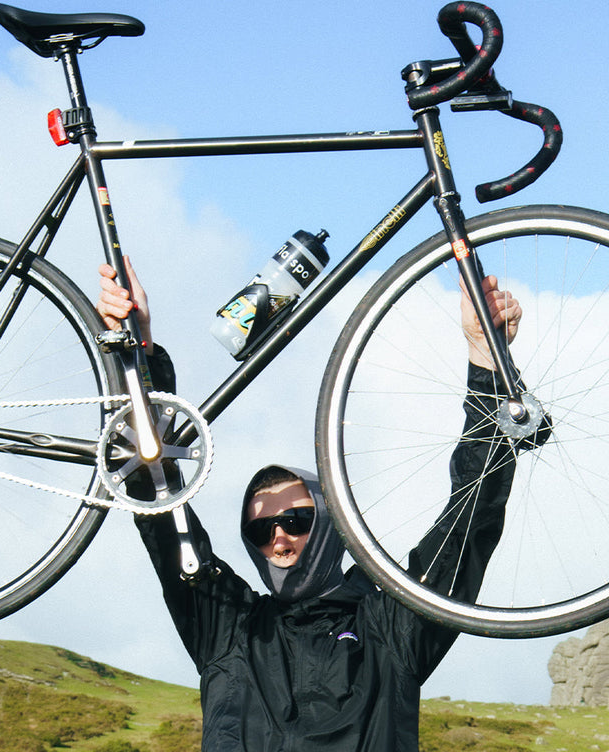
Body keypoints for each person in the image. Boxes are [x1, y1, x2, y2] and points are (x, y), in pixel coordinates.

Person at [96, 256, 536, 752]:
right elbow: (153, 494)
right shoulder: (228, 627)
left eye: (294, 519)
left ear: (328, 523)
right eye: (261, 531)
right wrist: (134, 354)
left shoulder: (390, 624)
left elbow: (469, 522)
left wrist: (487, 362)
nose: (278, 538)